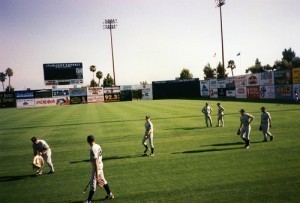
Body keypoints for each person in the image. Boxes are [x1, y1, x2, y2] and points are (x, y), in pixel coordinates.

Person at [84, 135, 114, 203]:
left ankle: (88, 201)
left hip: (97, 167)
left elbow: (96, 162)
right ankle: (110, 194)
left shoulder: (93, 148)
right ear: (94, 140)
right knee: (103, 179)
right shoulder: (97, 145)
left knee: (93, 184)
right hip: (100, 165)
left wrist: (97, 177)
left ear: (88, 141)